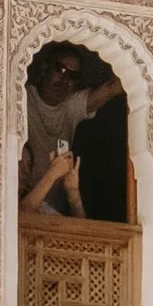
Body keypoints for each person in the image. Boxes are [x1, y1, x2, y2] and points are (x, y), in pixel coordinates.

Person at [22, 44, 119, 219]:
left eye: (73, 76)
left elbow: (112, 88)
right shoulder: (21, 98)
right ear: (45, 68)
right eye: (60, 70)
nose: (65, 80)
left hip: (53, 209)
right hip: (19, 203)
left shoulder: (70, 106)